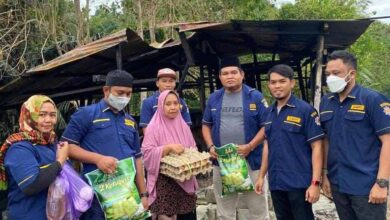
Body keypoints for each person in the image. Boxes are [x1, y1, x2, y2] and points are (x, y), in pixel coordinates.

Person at [60, 70, 148, 220]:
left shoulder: (130, 121)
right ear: (106, 90)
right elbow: (66, 147)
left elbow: (137, 159)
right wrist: (97, 159)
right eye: (120, 92)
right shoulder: (86, 114)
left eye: (128, 94)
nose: (125, 98)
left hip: (127, 194)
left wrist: (143, 194)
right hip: (97, 196)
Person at [320, 50, 390, 220]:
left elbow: (388, 141)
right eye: (328, 74)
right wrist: (324, 174)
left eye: (336, 73)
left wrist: (382, 183)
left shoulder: (372, 100)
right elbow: (326, 140)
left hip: (366, 185)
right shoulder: (326, 102)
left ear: (352, 74)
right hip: (338, 183)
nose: (330, 78)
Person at [202, 56, 270, 220]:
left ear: (242, 74)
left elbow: (267, 125)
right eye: (225, 73)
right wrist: (211, 147)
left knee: (258, 207)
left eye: (234, 72)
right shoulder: (214, 98)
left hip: (251, 160)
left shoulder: (255, 96)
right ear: (220, 77)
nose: (229, 76)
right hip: (223, 161)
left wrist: (251, 146)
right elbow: (206, 125)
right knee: (225, 209)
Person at [254, 64, 324, 220]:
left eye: (282, 81)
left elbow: (317, 147)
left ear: (292, 83)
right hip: (277, 182)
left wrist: (315, 183)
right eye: (273, 82)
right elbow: (267, 146)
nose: (277, 86)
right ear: (269, 85)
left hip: (299, 183)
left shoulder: (305, 111)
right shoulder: (269, 112)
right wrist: (261, 176)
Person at [0, 95, 69, 220]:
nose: (48, 120)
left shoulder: (52, 142)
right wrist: (60, 162)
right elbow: (31, 185)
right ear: (29, 115)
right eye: (42, 115)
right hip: (29, 215)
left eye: (52, 115)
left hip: (56, 214)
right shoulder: (19, 148)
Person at [142, 90, 198, 220]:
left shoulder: (183, 126)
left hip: (185, 179)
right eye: (168, 104)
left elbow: (192, 147)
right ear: (161, 105)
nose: (173, 107)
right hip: (164, 185)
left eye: (176, 103)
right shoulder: (153, 127)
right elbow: (147, 155)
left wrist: (192, 155)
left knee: (187, 215)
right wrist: (167, 148)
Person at [140, 68, 192, 133]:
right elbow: (146, 128)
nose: (168, 84)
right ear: (157, 83)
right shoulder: (148, 102)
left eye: (171, 81)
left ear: (175, 83)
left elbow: (187, 126)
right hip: (157, 141)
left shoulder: (181, 102)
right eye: (164, 81)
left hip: (178, 140)